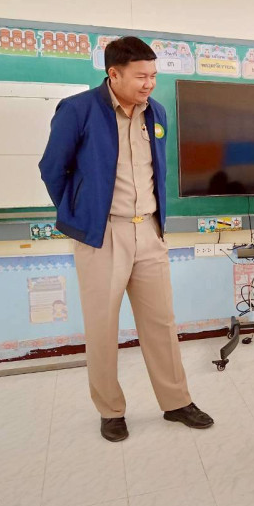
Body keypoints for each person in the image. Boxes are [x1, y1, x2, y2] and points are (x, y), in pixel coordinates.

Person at [39, 36, 213, 442]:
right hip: (103, 235)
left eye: (153, 75)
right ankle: (110, 410)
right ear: (113, 74)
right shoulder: (78, 110)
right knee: (102, 327)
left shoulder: (157, 112)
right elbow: (52, 169)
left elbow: (156, 170)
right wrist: (80, 212)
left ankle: (176, 402)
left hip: (148, 230)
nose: (149, 83)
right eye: (140, 76)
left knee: (161, 323)